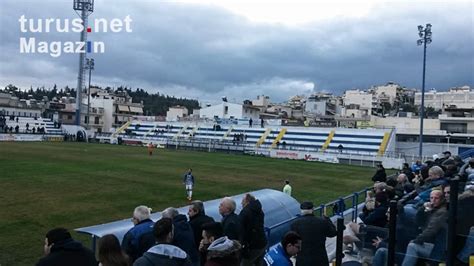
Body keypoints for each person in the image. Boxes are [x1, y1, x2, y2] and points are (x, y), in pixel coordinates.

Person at [401, 190, 448, 266]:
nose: (433, 200)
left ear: (442, 199)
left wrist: (417, 240)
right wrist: (423, 209)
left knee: (412, 246)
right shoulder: (433, 209)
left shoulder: (441, 212)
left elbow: (431, 230)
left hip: (438, 250)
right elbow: (418, 221)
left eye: (436, 198)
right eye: (431, 198)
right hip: (430, 242)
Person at [290, 201, 337, 266]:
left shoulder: (295, 224)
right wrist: (328, 219)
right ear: (313, 209)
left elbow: (292, 241)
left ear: (301, 210)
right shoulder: (322, 221)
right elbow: (333, 233)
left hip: (303, 260)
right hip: (320, 259)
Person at [239, 193, 267, 266]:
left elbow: (241, 230)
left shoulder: (245, 212)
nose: (241, 203)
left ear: (247, 201)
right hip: (262, 243)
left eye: (243, 201)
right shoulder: (259, 210)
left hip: (253, 247)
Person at [188, 200, 215, 265]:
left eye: (190, 211)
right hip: (211, 252)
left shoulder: (191, 224)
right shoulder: (211, 219)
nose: (188, 213)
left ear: (196, 211)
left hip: (198, 255)